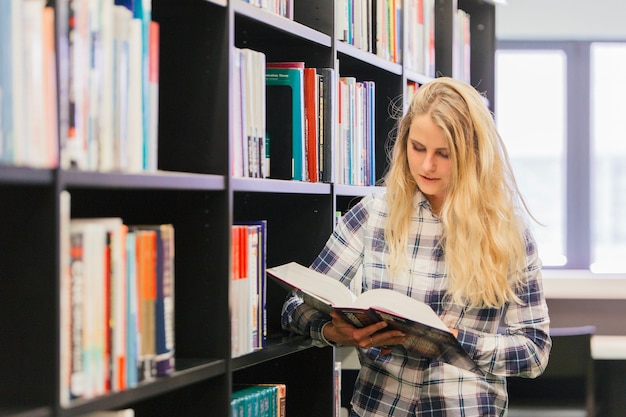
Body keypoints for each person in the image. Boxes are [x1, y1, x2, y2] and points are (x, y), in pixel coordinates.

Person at [281, 76, 551, 416]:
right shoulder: (372, 216)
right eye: (418, 148)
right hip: (378, 408)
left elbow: (535, 352)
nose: (426, 166)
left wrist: (454, 339)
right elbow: (294, 305)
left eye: (444, 154)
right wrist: (334, 331)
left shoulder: (507, 233)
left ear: (472, 155)